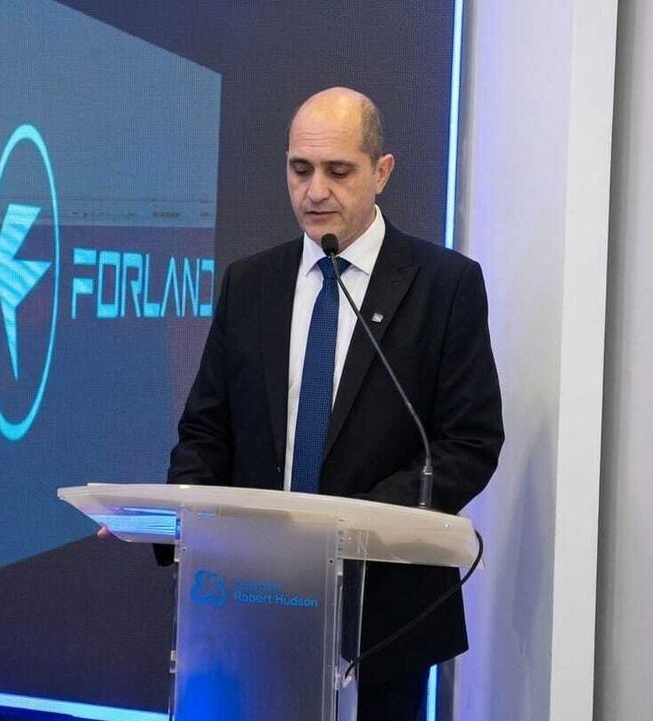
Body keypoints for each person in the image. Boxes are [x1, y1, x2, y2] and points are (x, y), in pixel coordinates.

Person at [166, 87, 503, 720]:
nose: (315, 191)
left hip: (385, 617)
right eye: (300, 169)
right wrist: (176, 521)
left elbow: (468, 443)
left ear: (382, 171)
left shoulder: (445, 285)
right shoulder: (251, 282)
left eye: (338, 171)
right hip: (250, 601)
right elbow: (207, 430)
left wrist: (350, 528)